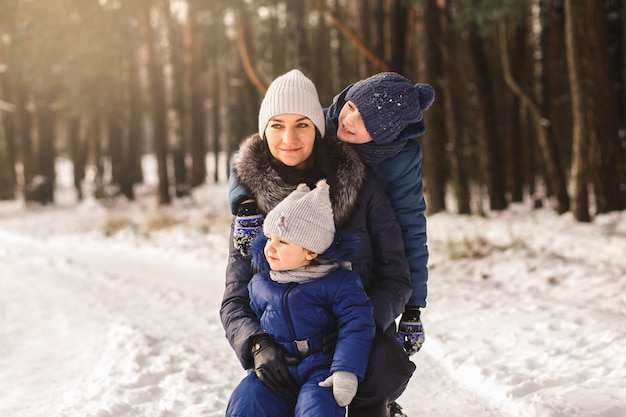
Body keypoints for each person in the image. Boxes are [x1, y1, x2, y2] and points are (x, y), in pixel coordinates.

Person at [221, 69, 414, 417]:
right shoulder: (251, 206)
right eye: (277, 125)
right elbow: (235, 297)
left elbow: (397, 277)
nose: (288, 137)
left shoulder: (360, 185)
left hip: (356, 338)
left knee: (360, 384)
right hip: (283, 348)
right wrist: (257, 344)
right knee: (249, 404)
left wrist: (351, 328)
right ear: (263, 131)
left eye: (302, 124)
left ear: (318, 128)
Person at [226, 180, 376, 416]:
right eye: (270, 238)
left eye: (282, 241)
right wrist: (258, 348)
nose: (270, 248)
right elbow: (247, 317)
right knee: (247, 400)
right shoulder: (261, 283)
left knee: (317, 408)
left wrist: (346, 370)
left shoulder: (339, 283)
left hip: (321, 367)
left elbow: (357, 325)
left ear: (310, 251)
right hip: (278, 366)